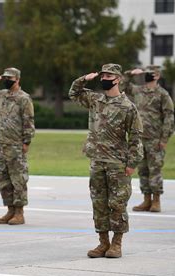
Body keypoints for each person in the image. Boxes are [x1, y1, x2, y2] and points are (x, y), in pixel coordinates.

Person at [69, 63, 143, 258]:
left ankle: (117, 244)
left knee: (117, 204)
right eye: (103, 76)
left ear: (118, 79)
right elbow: (73, 93)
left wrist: (132, 163)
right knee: (99, 204)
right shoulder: (95, 100)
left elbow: (135, 137)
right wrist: (85, 79)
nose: (104, 79)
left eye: (109, 76)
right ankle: (103, 243)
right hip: (97, 160)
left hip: (117, 163)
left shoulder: (128, 107)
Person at [0, 67, 35, 225]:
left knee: (18, 178)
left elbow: (29, 121)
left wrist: (26, 141)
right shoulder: (1, 95)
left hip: (16, 144)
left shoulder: (24, 98)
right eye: (5, 78)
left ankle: (19, 212)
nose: (7, 80)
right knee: (3, 178)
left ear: (17, 79)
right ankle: (10, 209)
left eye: (10, 78)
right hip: (1, 143)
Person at [123, 65, 175, 213]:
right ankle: (146, 200)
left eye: (150, 73)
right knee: (143, 170)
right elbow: (122, 85)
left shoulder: (163, 94)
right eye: (145, 73)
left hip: (155, 139)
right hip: (139, 138)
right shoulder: (139, 91)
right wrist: (130, 73)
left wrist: (164, 138)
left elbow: (169, 118)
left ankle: (156, 200)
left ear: (157, 75)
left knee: (155, 170)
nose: (147, 75)